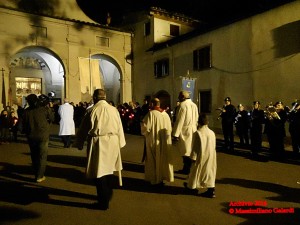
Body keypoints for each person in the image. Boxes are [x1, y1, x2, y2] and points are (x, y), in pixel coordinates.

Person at [75, 89, 126, 210]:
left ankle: (103, 201)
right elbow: (120, 126)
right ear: (105, 97)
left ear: (94, 97)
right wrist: (121, 142)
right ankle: (107, 194)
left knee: (99, 172)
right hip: (113, 142)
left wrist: (79, 142)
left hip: (99, 143)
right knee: (109, 170)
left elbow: (83, 128)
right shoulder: (114, 110)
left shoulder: (92, 110)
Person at [141, 98, 174, 186]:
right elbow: (170, 129)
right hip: (164, 142)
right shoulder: (166, 114)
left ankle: (155, 179)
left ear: (152, 104)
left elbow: (146, 128)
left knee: (153, 160)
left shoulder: (151, 114)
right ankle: (163, 177)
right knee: (163, 159)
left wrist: (143, 132)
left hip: (154, 140)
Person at [22, 94, 54, 182]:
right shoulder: (44, 109)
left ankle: (36, 173)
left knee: (34, 155)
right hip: (43, 135)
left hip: (31, 136)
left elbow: (22, 125)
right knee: (42, 156)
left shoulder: (26, 112)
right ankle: (39, 176)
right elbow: (52, 118)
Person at [184, 113, 217, 198]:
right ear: (207, 122)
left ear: (198, 122)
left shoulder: (198, 133)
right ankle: (211, 189)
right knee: (209, 172)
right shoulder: (212, 133)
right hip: (211, 155)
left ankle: (192, 187)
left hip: (201, 155)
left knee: (195, 171)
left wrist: (193, 157)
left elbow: (195, 147)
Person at [172, 90, 199, 175]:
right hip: (193, 129)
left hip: (185, 130)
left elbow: (180, 120)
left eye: (179, 96)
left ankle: (187, 168)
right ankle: (188, 168)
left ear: (183, 96)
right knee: (190, 149)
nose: (178, 97)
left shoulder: (182, 105)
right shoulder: (194, 105)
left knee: (185, 150)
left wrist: (175, 134)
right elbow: (197, 118)